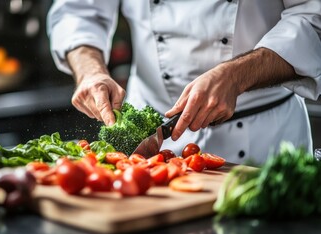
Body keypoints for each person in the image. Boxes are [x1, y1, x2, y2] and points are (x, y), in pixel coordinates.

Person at [46, 0, 321, 164]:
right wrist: (90, 71)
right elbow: (77, 10)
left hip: (262, 141)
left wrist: (237, 76)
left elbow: (312, 16)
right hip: (149, 137)